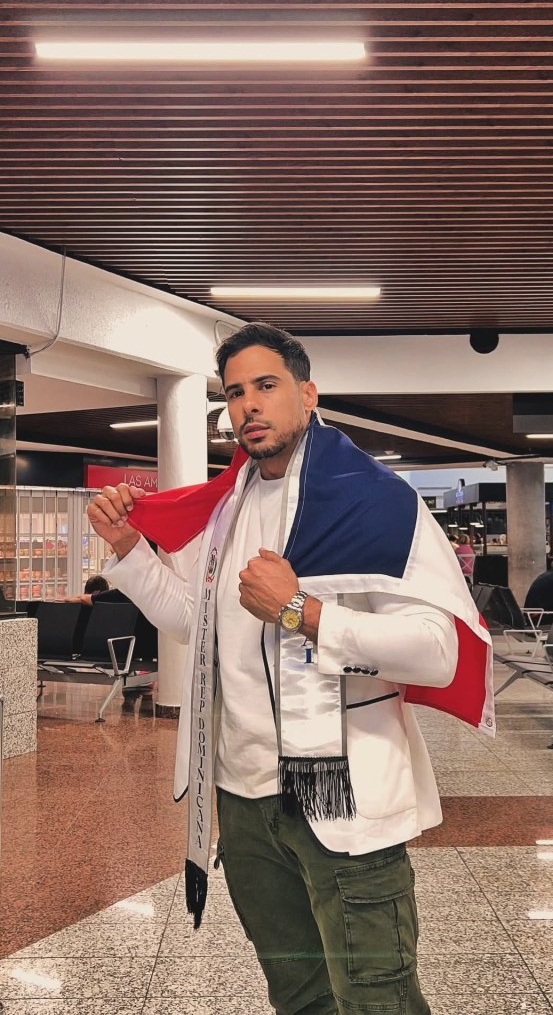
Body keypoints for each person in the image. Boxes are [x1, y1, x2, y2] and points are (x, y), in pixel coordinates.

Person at [86, 321, 493, 1015]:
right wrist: (129, 549)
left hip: (341, 798)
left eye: (266, 385)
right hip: (243, 799)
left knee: (377, 999)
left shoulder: (375, 500)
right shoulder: (228, 507)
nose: (249, 404)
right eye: (235, 391)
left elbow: (437, 650)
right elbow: (196, 625)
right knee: (298, 996)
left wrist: (303, 612)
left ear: (307, 394)